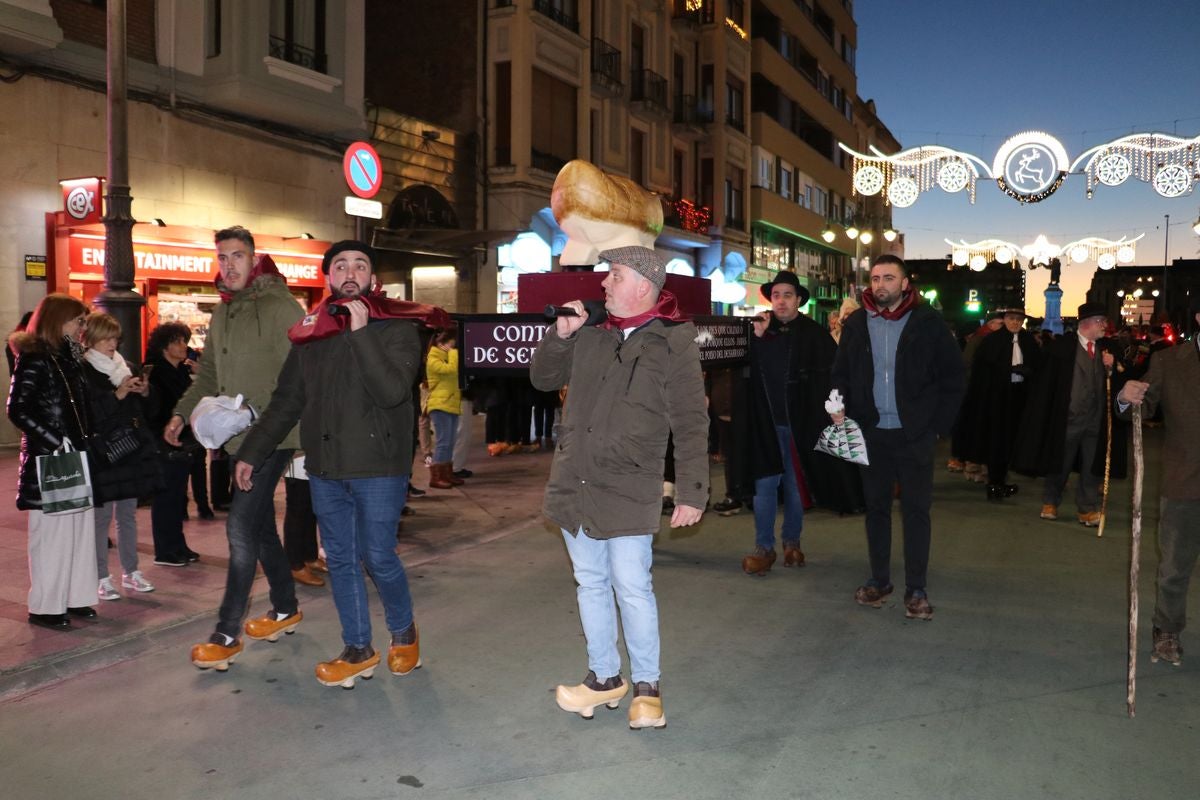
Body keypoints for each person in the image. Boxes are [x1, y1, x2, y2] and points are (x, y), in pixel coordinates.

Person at [236, 239, 444, 687]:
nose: (350, 272)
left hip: (379, 468)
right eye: (341, 265)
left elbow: (392, 391)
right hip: (326, 468)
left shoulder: (397, 328)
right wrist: (252, 452)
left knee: (378, 556)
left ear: (372, 278)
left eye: (360, 265)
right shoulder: (311, 334)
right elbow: (287, 401)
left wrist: (362, 333)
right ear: (328, 277)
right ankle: (357, 648)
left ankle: (404, 632)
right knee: (343, 560)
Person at [531, 245, 708, 730]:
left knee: (632, 587)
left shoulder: (674, 341)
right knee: (589, 582)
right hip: (575, 480)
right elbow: (542, 378)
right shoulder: (588, 334)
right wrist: (561, 335)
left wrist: (692, 491)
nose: (603, 284)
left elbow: (692, 422)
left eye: (614, 276)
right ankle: (605, 677)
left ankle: (647, 685)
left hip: (630, 482)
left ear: (643, 286)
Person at [169, 226, 306, 671]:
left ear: (254, 259)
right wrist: (179, 413)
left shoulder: (279, 305)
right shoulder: (224, 313)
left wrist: (255, 414)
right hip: (235, 437)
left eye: (237, 257)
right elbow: (209, 375)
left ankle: (226, 631)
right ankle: (285, 606)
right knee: (260, 525)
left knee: (241, 528)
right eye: (222, 257)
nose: (228, 265)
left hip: (274, 435)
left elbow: (296, 379)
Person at [831, 255, 965, 621]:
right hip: (871, 432)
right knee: (875, 509)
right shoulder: (857, 323)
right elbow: (840, 373)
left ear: (905, 284)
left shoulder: (928, 323)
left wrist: (937, 426)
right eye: (875, 278)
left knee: (916, 511)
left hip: (914, 434)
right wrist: (838, 404)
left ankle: (916, 588)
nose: (880, 285)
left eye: (888, 277)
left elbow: (953, 378)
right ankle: (879, 580)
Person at [735, 271, 863, 575]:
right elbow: (749, 372)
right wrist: (761, 338)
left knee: (794, 486)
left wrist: (837, 409)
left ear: (798, 300)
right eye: (776, 295)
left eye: (787, 295)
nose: (780, 301)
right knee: (764, 486)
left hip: (800, 425)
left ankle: (792, 544)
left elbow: (834, 376)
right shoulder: (759, 330)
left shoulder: (813, 334)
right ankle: (764, 548)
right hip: (766, 425)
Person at [1116, 299, 1200, 666]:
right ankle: (1166, 630)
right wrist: (1124, 396)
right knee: (1175, 566)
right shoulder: (1170, 360)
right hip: (1187, 480)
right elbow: (1141, 404)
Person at [7, 293, 98, 630]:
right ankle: (46, 606)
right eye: (78, 321)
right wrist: (53, 439)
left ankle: (74, 597)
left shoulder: (69, 359)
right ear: (59, 321)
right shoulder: (35, 358)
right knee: (52, 538)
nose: (82, 327)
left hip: (74, 458)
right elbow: (17, 408)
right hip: (49, 464)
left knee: (78, 533)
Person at [1012, 302, 1126, 527]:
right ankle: (1051, 501)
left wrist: (1113, 367)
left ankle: (1087, 509)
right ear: (1088, 324)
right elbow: (1046, 382)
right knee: (1060, 463)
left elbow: (1123, 376)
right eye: (1101, 322)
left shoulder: (1109, 348)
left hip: (1096, 420)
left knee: (1092, 466)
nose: (1105, 326)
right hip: (1067, 418)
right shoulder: (1062, 348)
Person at [80, 312, 161, 600]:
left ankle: (132, 571)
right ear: (90, 339)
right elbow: (89, 416)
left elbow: (148, 412)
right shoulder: (84, 370)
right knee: (101, 518)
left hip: (129, 451)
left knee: (128, 515)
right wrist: (118, 395)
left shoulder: (123, 366)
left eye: (115, 337)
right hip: (105, 453)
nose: (112, 343)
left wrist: (144, 391)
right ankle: (101, 575)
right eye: (106, 338)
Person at [958, 308, 1042, 501]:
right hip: (995, 399)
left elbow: (1038, 366)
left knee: (1013, 440)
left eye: (1018, 320)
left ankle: (1000, 480)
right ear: (1004, 320)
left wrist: (1026, 371)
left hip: (1020, 397)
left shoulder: (1028, 341)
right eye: (1011, 319)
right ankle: (995, 483)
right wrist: (1005, 372)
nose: (1015, 323)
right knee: (997, 441)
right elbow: (982, 371)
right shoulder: (992, 341)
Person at [143, 322, 200, 567]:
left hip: (182, 442)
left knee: (178, 497)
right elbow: (157, 410)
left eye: (184, 340)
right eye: (177, 341)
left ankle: (178, 545)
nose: (183, 346)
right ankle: (165, 550)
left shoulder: (181, 372)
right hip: (163, 442)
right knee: (166, 497)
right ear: (165, 346)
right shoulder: (157, 374)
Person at [425, 329, 463, 489]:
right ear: (440, 344)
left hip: (451, 403)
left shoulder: (447, 357)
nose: (452, 348)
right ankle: (436, 477)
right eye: (450, 345)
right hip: (440, 405)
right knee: (443, 442)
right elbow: (451, 370)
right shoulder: (433, 359)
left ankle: (447, 474)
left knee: (450, 441)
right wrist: (454, 353)